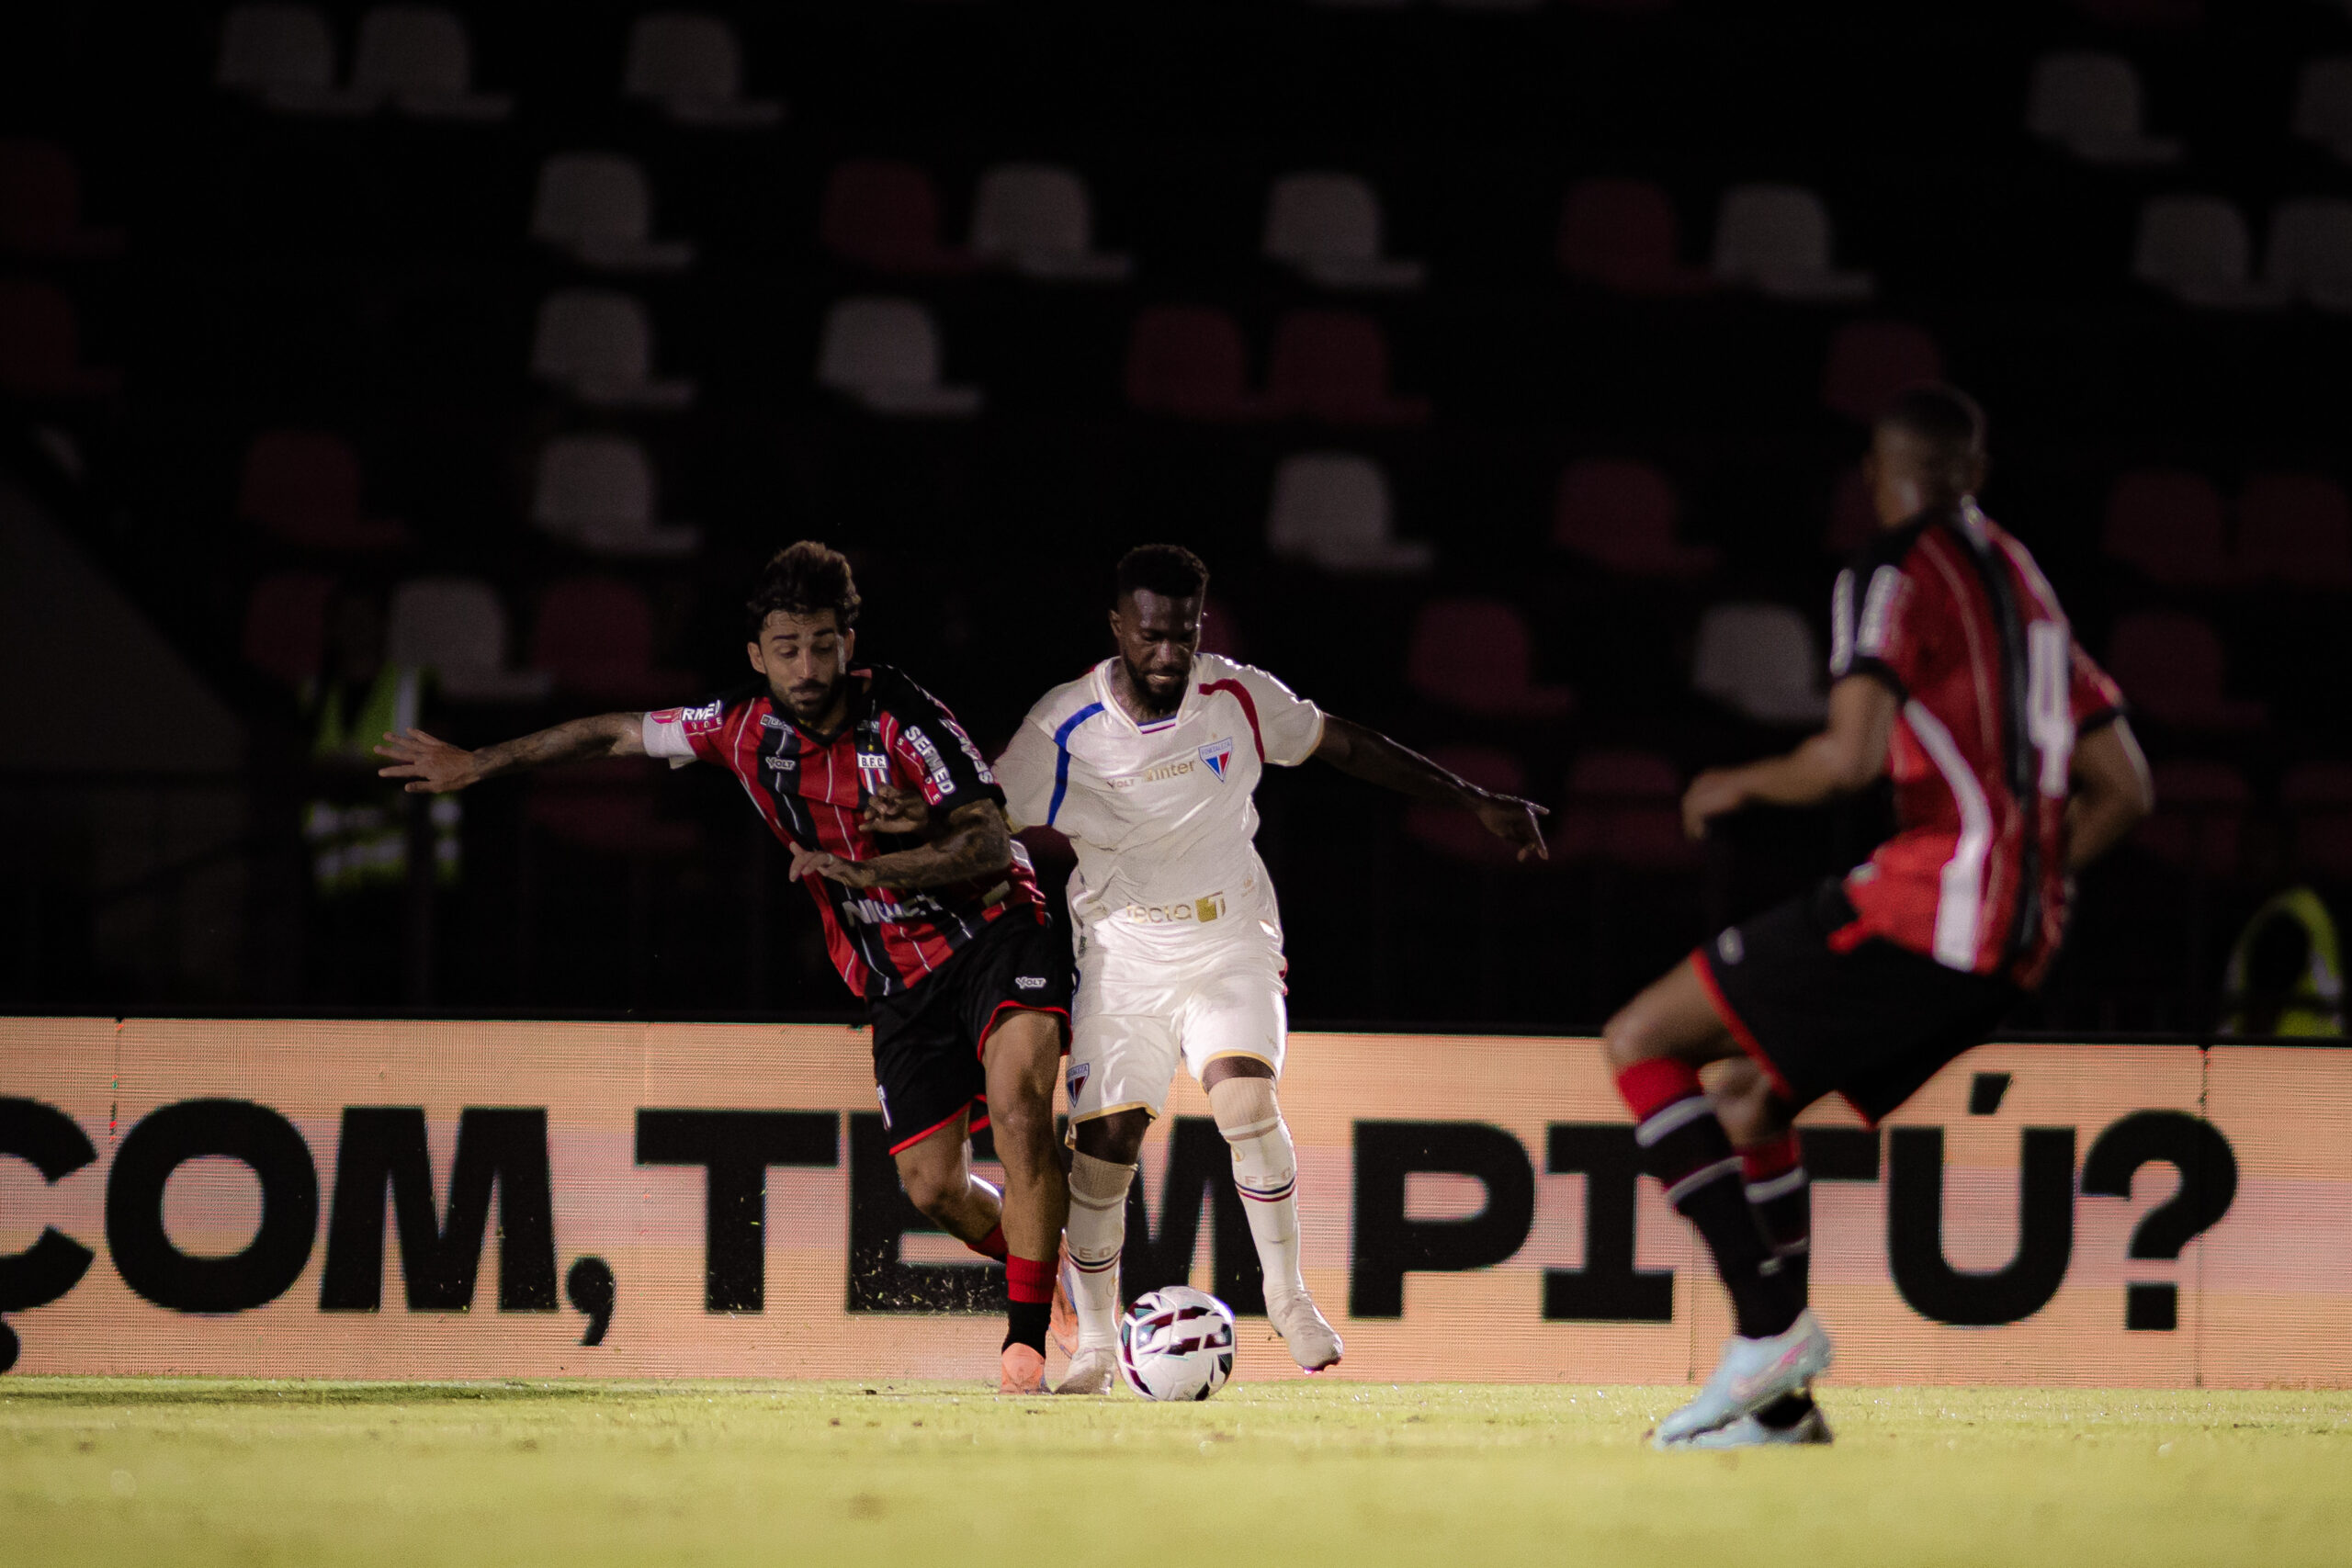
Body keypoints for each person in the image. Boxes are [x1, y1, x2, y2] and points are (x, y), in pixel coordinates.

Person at [374, 542, 1076, 1393]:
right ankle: (1050, 1262)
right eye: (788, 649)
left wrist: (878, 868)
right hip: (897, 978)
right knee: (932, 1187)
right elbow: (614, 732)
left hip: (998, 934)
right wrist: (479, 763)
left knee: (1020, 1109)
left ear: (850, 643)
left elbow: (993, 843)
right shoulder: (740, 728)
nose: (808, 666)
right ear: (758, 656)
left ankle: (1028, 1342)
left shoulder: (905, 718)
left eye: (824, 644)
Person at [1600, 387, 2154, 1449]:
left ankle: (1769, 1335)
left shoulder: (1891, 570)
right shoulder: (2031, 591)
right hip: (2016, 942)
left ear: (1876, 474)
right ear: (1975, 474)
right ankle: (1781, 1412)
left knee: (1641, 1040)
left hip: (1926, 904)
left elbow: (1844, 759)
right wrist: (2029, 881)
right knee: (1749, 1094)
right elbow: (2126, 789)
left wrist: (1731, 784)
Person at [994, 544, 1551, 1394]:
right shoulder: (1062, 726)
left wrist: (1471, 798)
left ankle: (1288, 1299)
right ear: (1118, 629)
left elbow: (1348, 746)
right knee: (1104, 1152)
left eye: (1183, 634)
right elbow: (984, 818)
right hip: (1122, 954)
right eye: (1151, 636)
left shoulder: (1237, 696)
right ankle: (1099, 1347)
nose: (1169, 654)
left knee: (1246, 1100)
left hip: (1230, 937)